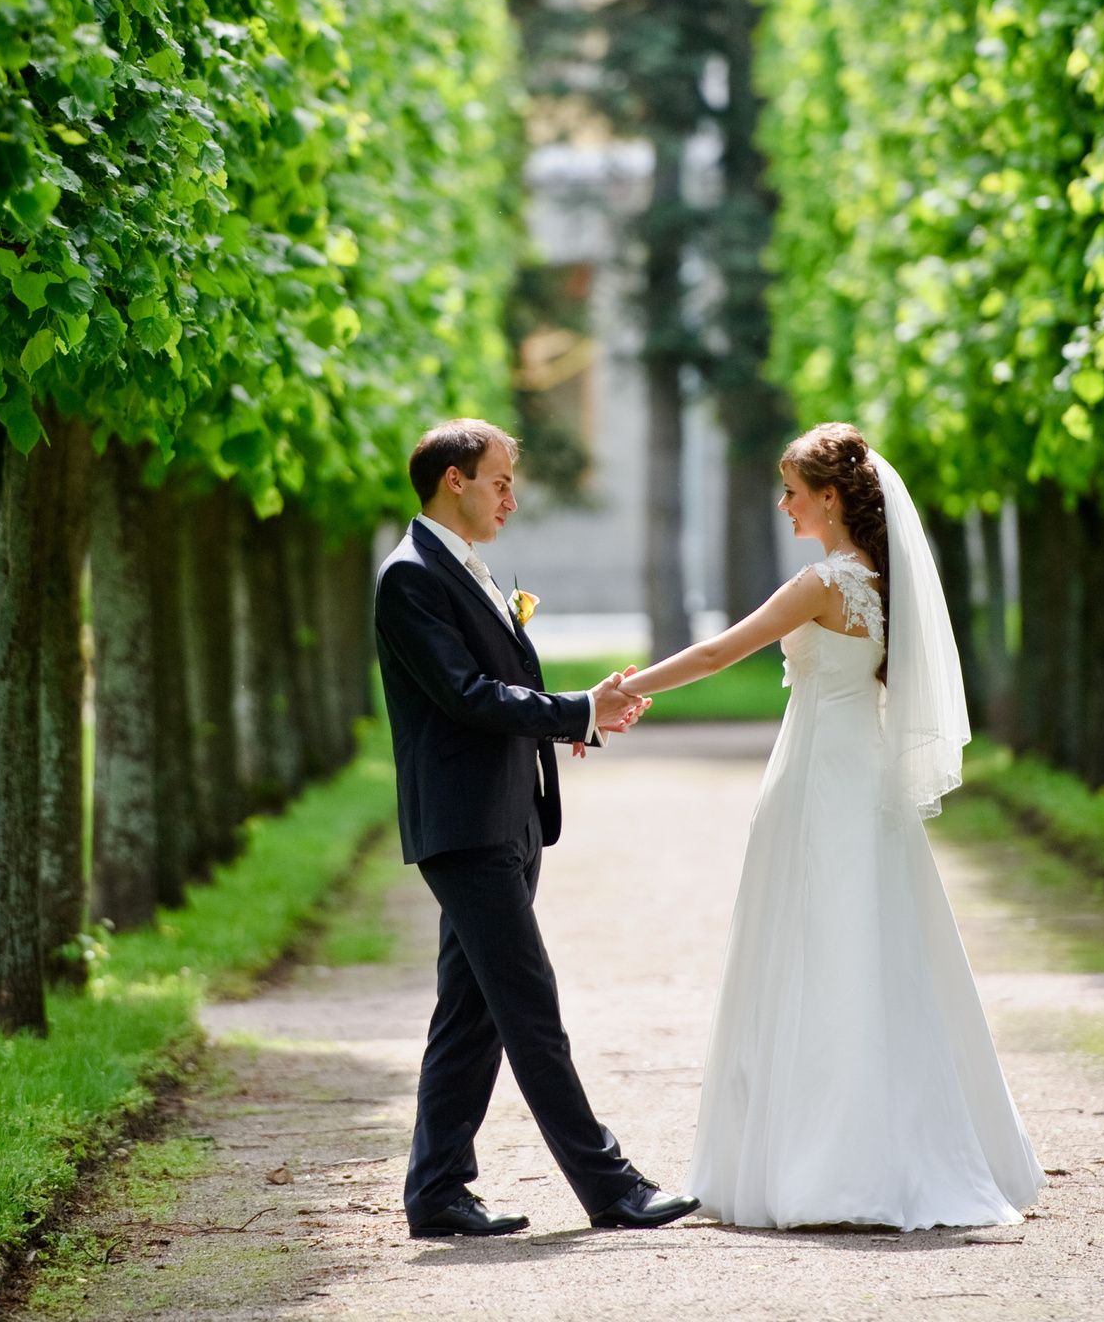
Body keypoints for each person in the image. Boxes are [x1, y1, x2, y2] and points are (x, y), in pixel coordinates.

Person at [612, 422, 1043, 1231]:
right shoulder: (884, 579)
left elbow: (716, 655)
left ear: (831, 498)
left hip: (817, 779)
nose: (784, 506)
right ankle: (884, 1149)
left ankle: (823, 1164)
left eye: (793, 492)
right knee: (878, 950)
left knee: (812, 948)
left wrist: (621, 692)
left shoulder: (823, 583)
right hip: (864, 777)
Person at [373, 418, 700, 1238]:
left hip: (511, 816)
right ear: (454, 480)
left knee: (471, 1014)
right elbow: (464, 696)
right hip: (465, 827)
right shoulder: (408, 576)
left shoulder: (464, 567)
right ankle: (611, 1187)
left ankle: (436, 1191)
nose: (511, 500)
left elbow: (500, 681)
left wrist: (574, 718)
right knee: (529, 1006)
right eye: (501, 482)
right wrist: (577, 710)